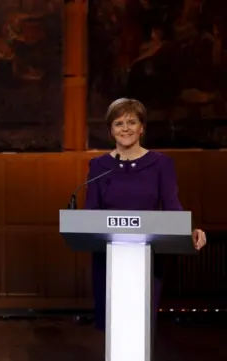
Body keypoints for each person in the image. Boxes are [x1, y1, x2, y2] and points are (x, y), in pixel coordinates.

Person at [85, 98, 206, 331]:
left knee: (139, 325)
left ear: (142, 127)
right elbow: (91, 212)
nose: (126, 128)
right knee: (113, 325)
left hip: (148, 255)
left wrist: (188, 231)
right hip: (108, 256)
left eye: (132, 122)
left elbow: (172, 206)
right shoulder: (98, 166)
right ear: (110, 130)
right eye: (118, 123)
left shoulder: (161, 164)